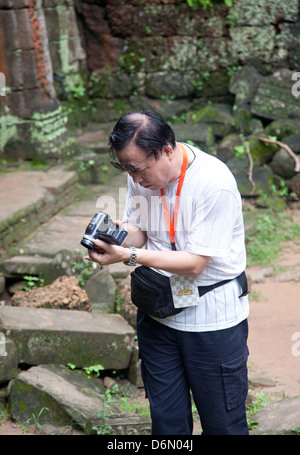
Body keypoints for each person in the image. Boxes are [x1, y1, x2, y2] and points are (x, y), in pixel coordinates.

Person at [85, 110, 250, 435]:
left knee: (223, 425)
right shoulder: (141, 177)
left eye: (137, 168)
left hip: (211, 322)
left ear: (167, 151)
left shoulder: (214, 184)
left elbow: (194, 263)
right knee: (167, 423)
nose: (133, 178)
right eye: (126, 169)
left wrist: (128, 255)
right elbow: (140, 231)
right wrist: (116, 237)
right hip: (158, 314)